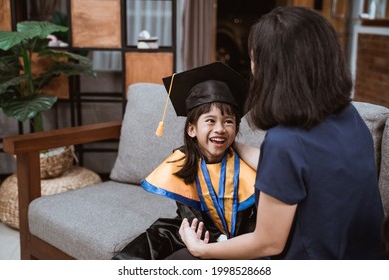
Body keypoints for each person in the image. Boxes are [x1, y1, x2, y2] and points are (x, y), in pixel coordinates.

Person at [179, 6, 385, 260]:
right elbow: (299, 171)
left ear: (273, 69)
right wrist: (234, 146)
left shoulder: (285, 141)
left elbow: (268, 244)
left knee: (176, 261)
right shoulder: (347, 116)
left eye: (254, 58)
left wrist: (202, 249)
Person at [112, 61, 257, 260]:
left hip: (241, 236)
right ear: (191, 130)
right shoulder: (181, 161)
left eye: (228, 121)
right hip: (193, 227)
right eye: (210, 120)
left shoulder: (246, 167)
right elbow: (190, 218)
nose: (220, 128)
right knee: (153, 238)